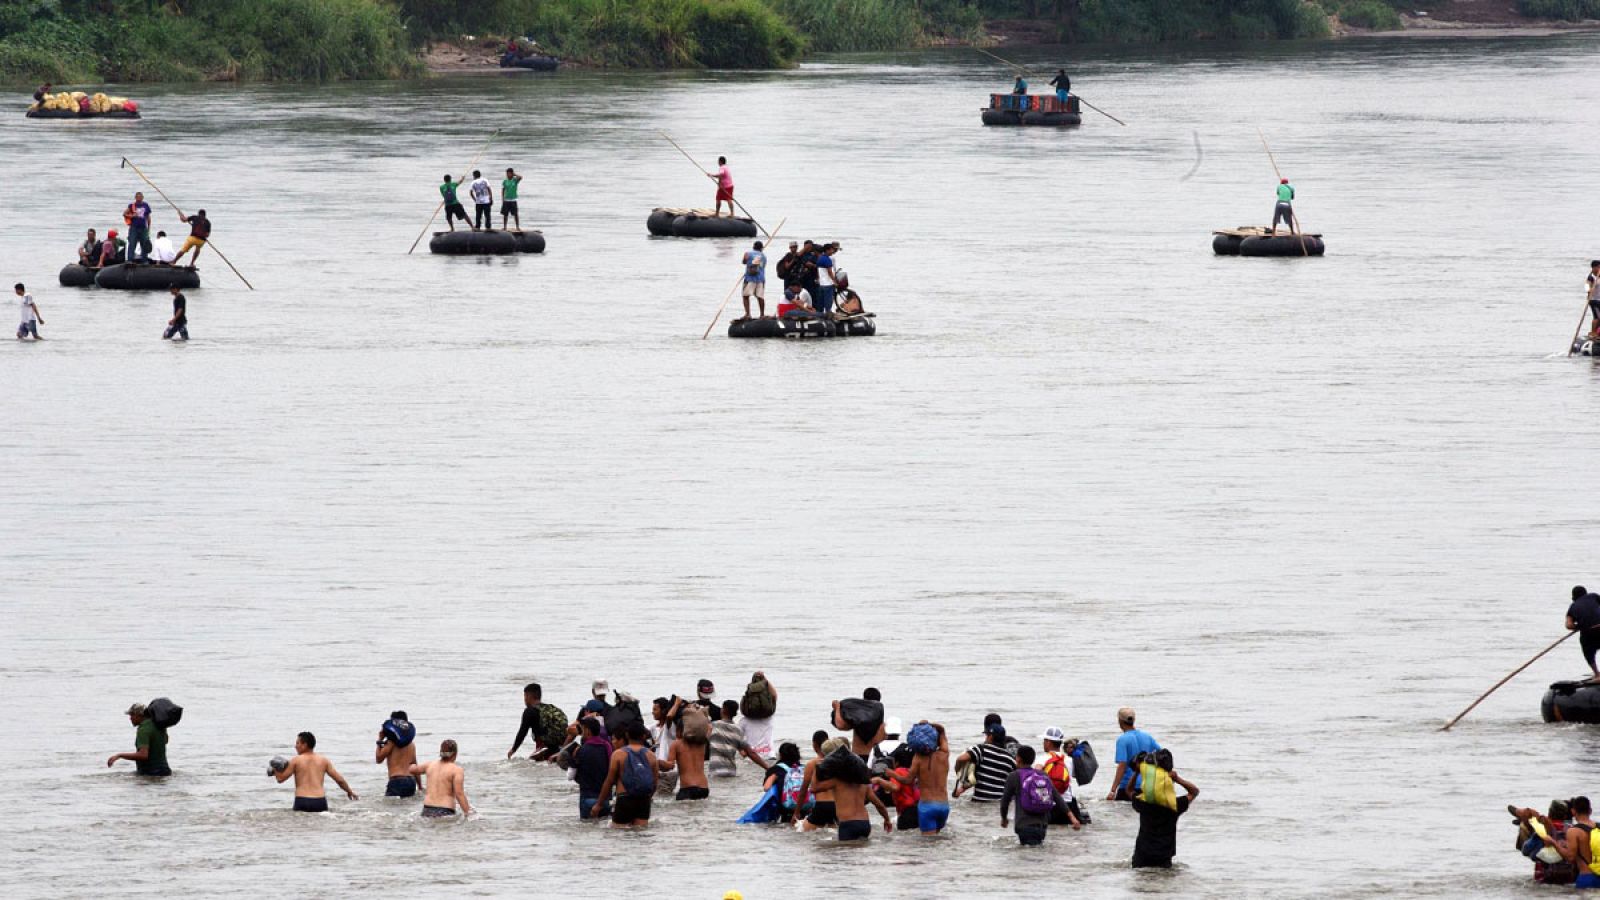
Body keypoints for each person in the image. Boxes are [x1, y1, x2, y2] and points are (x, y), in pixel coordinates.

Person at [1130, 749, 1199, 868]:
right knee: (1164, 879)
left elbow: (1129, 790)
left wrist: (1137, 773)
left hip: (1142, 857)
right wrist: (1177, 779)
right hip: (1163, 859)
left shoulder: (1143, 803)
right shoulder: (1174, 806)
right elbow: (1194, 791)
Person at [591, 723, 668, 828]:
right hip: (644, 800)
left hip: (625, 799)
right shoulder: (651, 756)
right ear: (644, 736)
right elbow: (654, 783)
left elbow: (609, 782)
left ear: (627, 735)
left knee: (619, 833)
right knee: (640, 832)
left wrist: (599, 804)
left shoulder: (618, 754)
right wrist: (647, 798)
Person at [1001, 745, 1076, 846]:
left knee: (1027, 853)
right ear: (1033, 760)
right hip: (1042, 825)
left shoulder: (1014, 776)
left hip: (1024, 825)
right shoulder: (1042, 775)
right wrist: (1072, 817)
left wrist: (1004, 818)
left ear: (1018, 758)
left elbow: (1005, 801)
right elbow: (1057, 797)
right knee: (1037, 851)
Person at [270, 731, 358, 812]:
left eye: (297, 743)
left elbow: (280, 779)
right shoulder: (324, 760)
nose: (295, 746)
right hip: (319, 801)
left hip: (302, 800)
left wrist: (275, 769)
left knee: (298, 824)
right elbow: (339, 780)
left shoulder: (296, 760)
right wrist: (349, 791)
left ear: (304, 745)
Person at [894, 721, 950, 834]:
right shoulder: (944, 754)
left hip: (927, 806)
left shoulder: (918, 758)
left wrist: (892, 774)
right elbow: (942, 732)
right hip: (944, 806)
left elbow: (908, 780)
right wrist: (930, 725)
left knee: (927, 842)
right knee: (938, 839)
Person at [812, 768, 893, 843]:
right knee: (860, 849)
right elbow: (879, 805)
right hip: (864, 824)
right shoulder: (864, 784)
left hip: (848, 824)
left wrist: (816, 769)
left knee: (846, 851)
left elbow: (814, 789)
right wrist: (887, 820)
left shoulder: (837, 782)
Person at [1512, 799, 1577, 885]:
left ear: (1549, 813)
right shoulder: (1574, 830)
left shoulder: (1543, 829)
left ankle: (1523, 820)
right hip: (1570, 878)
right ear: (1565, 816)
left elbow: (1525, 850)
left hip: (1545, 878)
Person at [1543, 796, 1600, 889]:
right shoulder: (1598, 827)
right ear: (1590, 811)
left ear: (1573, 811)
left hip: (1587, 877)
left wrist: (1553, 843)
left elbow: (1570, 857)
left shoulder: (1573, 831)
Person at [406, 739, 471, 818]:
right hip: (445, 811)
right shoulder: (456, 770)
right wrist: (468, 813)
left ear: (440, 752)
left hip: (427, 810)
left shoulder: (429, 765)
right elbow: (459, 794)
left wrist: (412, 762)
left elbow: (412, 770)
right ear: (455, 754)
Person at [955, 722, 1016, 803]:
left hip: (980, 801)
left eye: (986, 735)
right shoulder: (1010, 759)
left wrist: (959, 773)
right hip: (999, 803)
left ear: (990, 737)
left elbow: (961, 759)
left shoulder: (981, 750)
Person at [1108, 707, 1160, 801]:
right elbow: (1162, 755)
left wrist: (1113, 790)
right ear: (1134, 720)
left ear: (1119, 721)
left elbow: (1122, 765)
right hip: (1146, 786)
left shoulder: (1122, 740)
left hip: (1127, 786)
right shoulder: (1147, 737)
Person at [1039, 726, 1086, 827]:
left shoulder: (1042, 759)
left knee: (1050, 834)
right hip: (1067, 805)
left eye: (1044, 740)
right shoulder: (1069, 760)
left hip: (1048, 804)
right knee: (1066, 834)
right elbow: (1079, 776)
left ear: (1048, 742)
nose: (1043, 743)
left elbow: (1035, 778)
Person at [508, 683, 568, 760]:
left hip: (544, 749)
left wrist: (513, 749)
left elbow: (522, 732)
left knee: (533, 763)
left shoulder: (529, 711)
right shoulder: (552, 709)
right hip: (561, 748)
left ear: (528, 696)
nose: (524, 699)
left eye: (524, 696)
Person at [106, 702, 169, 776]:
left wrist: (119, 755)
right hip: (165, 770)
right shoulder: (159, 725)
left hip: (151, 772)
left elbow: (143, 755)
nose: (130, 718)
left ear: (139, 715)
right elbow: (165, 741)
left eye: (132, 715)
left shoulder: (143, 729)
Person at [798, 737, 847, 831]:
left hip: (822, 805)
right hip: (838, 805)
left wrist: (796, 812)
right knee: (834, 831)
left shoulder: (813, 764)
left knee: (802, 831)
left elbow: (804, 790)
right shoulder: (843, 764)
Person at [709, 700, 768, 777]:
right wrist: (767, 768)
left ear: (723, 710)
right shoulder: (738, 730)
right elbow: (751, 753)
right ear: (735, 713)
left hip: (715, 772)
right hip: (731, 772)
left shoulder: (713, 726)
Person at [573, 717, 613, 820]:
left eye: (582, 729)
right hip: (605, 799)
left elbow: (570, 775)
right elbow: (612, 771)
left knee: (586, 828)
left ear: (587, 731)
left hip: (587, 797)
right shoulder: (607, 746)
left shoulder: (581, 750)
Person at [375, 711, 419, 798]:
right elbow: (415, 766)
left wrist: (380, 740)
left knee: (390, 806)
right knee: (407, 806)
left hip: (397, 780)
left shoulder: (391, 742)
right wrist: (420, 786)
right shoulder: (411, 744)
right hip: (411, 780)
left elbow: (379, 759)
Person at [667, 720, 710, 800]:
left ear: (679, 730)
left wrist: (658, 763)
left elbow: (669, 766)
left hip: (687, 788)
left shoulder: (676, 744)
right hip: (704, 788)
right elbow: (709, 727)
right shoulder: (702, 743)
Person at [740, 672, 777, 756]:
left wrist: (752, 685)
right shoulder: (769, 717)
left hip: (752, 757)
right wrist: (765, 681)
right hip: (770, 756)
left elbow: (737, 739)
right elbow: (774, 695)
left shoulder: (743, 721)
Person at [1567, 586, 1600, 681]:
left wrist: (1579, 626)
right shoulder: (1593, 596)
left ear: (1573, 597)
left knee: (1588, 650)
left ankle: (1597, 674)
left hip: (1588, 632)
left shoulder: (1572, 607)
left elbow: (1569, 625)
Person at [739, 241, 767, 321]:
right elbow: (763, 266)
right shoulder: (764, 256)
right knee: (760, 297)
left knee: (745, 296)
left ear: (753, 246)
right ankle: (762, 314)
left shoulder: (748, 253)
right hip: (761, 279)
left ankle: (748, 314)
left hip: (750, 278)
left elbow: (744, 262)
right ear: (761, 248)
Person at [124, 192, 153, 263]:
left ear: (143, 197)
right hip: (134, 227)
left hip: (143, 228)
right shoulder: (132, 205)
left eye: (140, 197)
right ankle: (130, 260)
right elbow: (124, 214)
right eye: (137, 197)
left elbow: (148, 217)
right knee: (132, 243)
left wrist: (148, 228)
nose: (139, 198)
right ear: (135, 197)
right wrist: (132, 216)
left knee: (144, 244)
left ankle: (144, 260)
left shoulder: (145, 205)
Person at [815, 243, 839, 317]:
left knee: (821, 301)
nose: (832, 251)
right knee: (828, 301)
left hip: (821, 284)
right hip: (828, 284)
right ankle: (828, 313)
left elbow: (818, 270)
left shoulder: (820, 258)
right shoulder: (828, 260)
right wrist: (834, 281)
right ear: (827, 250)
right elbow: (830, 272)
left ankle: (820, 314)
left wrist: (818, 279)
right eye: (831, 250)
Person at [500, 167, 522, 232]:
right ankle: (505, 227)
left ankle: (517, 227)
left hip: (513, 200)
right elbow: (503, 190)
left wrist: (515, 174)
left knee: (515, 214)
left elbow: (520, 177)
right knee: (505, 214)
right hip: (506, 200)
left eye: (509, 173)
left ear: (512, 174)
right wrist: (502, 198)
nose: (507, 175)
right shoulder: (505, 181)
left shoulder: (515, 180)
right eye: (507, 173)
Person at [1587, 261, 1600, 339]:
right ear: (1594, 267)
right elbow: (1586, 286)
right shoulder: (1591, 277)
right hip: (1593, 300)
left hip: (1599, 299)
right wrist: (1589, 290)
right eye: (1598, 267)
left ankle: (1598, 332)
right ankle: (1593, 333)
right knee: (1597, 317)